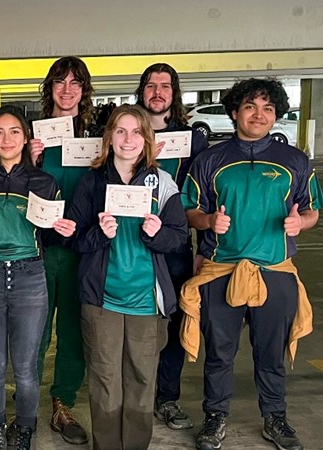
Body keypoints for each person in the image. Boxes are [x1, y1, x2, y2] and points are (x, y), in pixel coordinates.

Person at [181, 78, 321, 450]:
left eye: (268, 109)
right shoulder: (210, 159)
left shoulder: (295, 160)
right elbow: (188, 210)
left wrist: (299, 223)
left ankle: (275, 418)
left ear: (275, 115)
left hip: (275, 272)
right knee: (219, 353)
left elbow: (312, 211)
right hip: (220, 271)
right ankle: (215, 418)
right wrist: (209, 221)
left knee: (270, 353)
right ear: (234, 113)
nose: (259, 115)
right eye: (250, 107)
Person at [68, 104, 188, 450]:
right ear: (109, 138)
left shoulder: (161, 182)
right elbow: (74, 238)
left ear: (147, 139)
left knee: (141, 377)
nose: (128, 139)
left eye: (137, 132)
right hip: (102, 298)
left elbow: (178, 236)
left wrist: (156, 232)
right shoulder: (92, 182)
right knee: (105, 378)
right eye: (120, 131)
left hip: (146, 300)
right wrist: (99, 234)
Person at [0, 105, 76, 450]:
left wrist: (64, 229)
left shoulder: (45, 181)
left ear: (27, 137)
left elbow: (53, 233)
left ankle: (25, 429)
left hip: (30, 276)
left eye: (15, 131)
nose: (7, 138)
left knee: (27, 367)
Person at [30, 56, 103, 446]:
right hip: (39, 251)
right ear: (50, 88)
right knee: (33, 332)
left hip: (82, 251)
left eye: (76, 82)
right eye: (60, 81)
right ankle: (26, 402)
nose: (68, 89)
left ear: (84, 90)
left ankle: (63, 402)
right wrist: (30, 159)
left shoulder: (97, 137)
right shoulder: (34, 136)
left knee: (74, 333)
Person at [134, 62, 209, 430]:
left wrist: (203, 251)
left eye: (165, 86)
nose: (157, 92)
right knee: (133, 325)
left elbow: (203, 198)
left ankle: (167, 398)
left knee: (173, 323)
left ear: (174, 93)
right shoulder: (126, 134)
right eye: (150, 86)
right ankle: (134, 398)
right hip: (129, 246)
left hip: (176, 247)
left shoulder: (192, 140)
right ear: (141, 92)